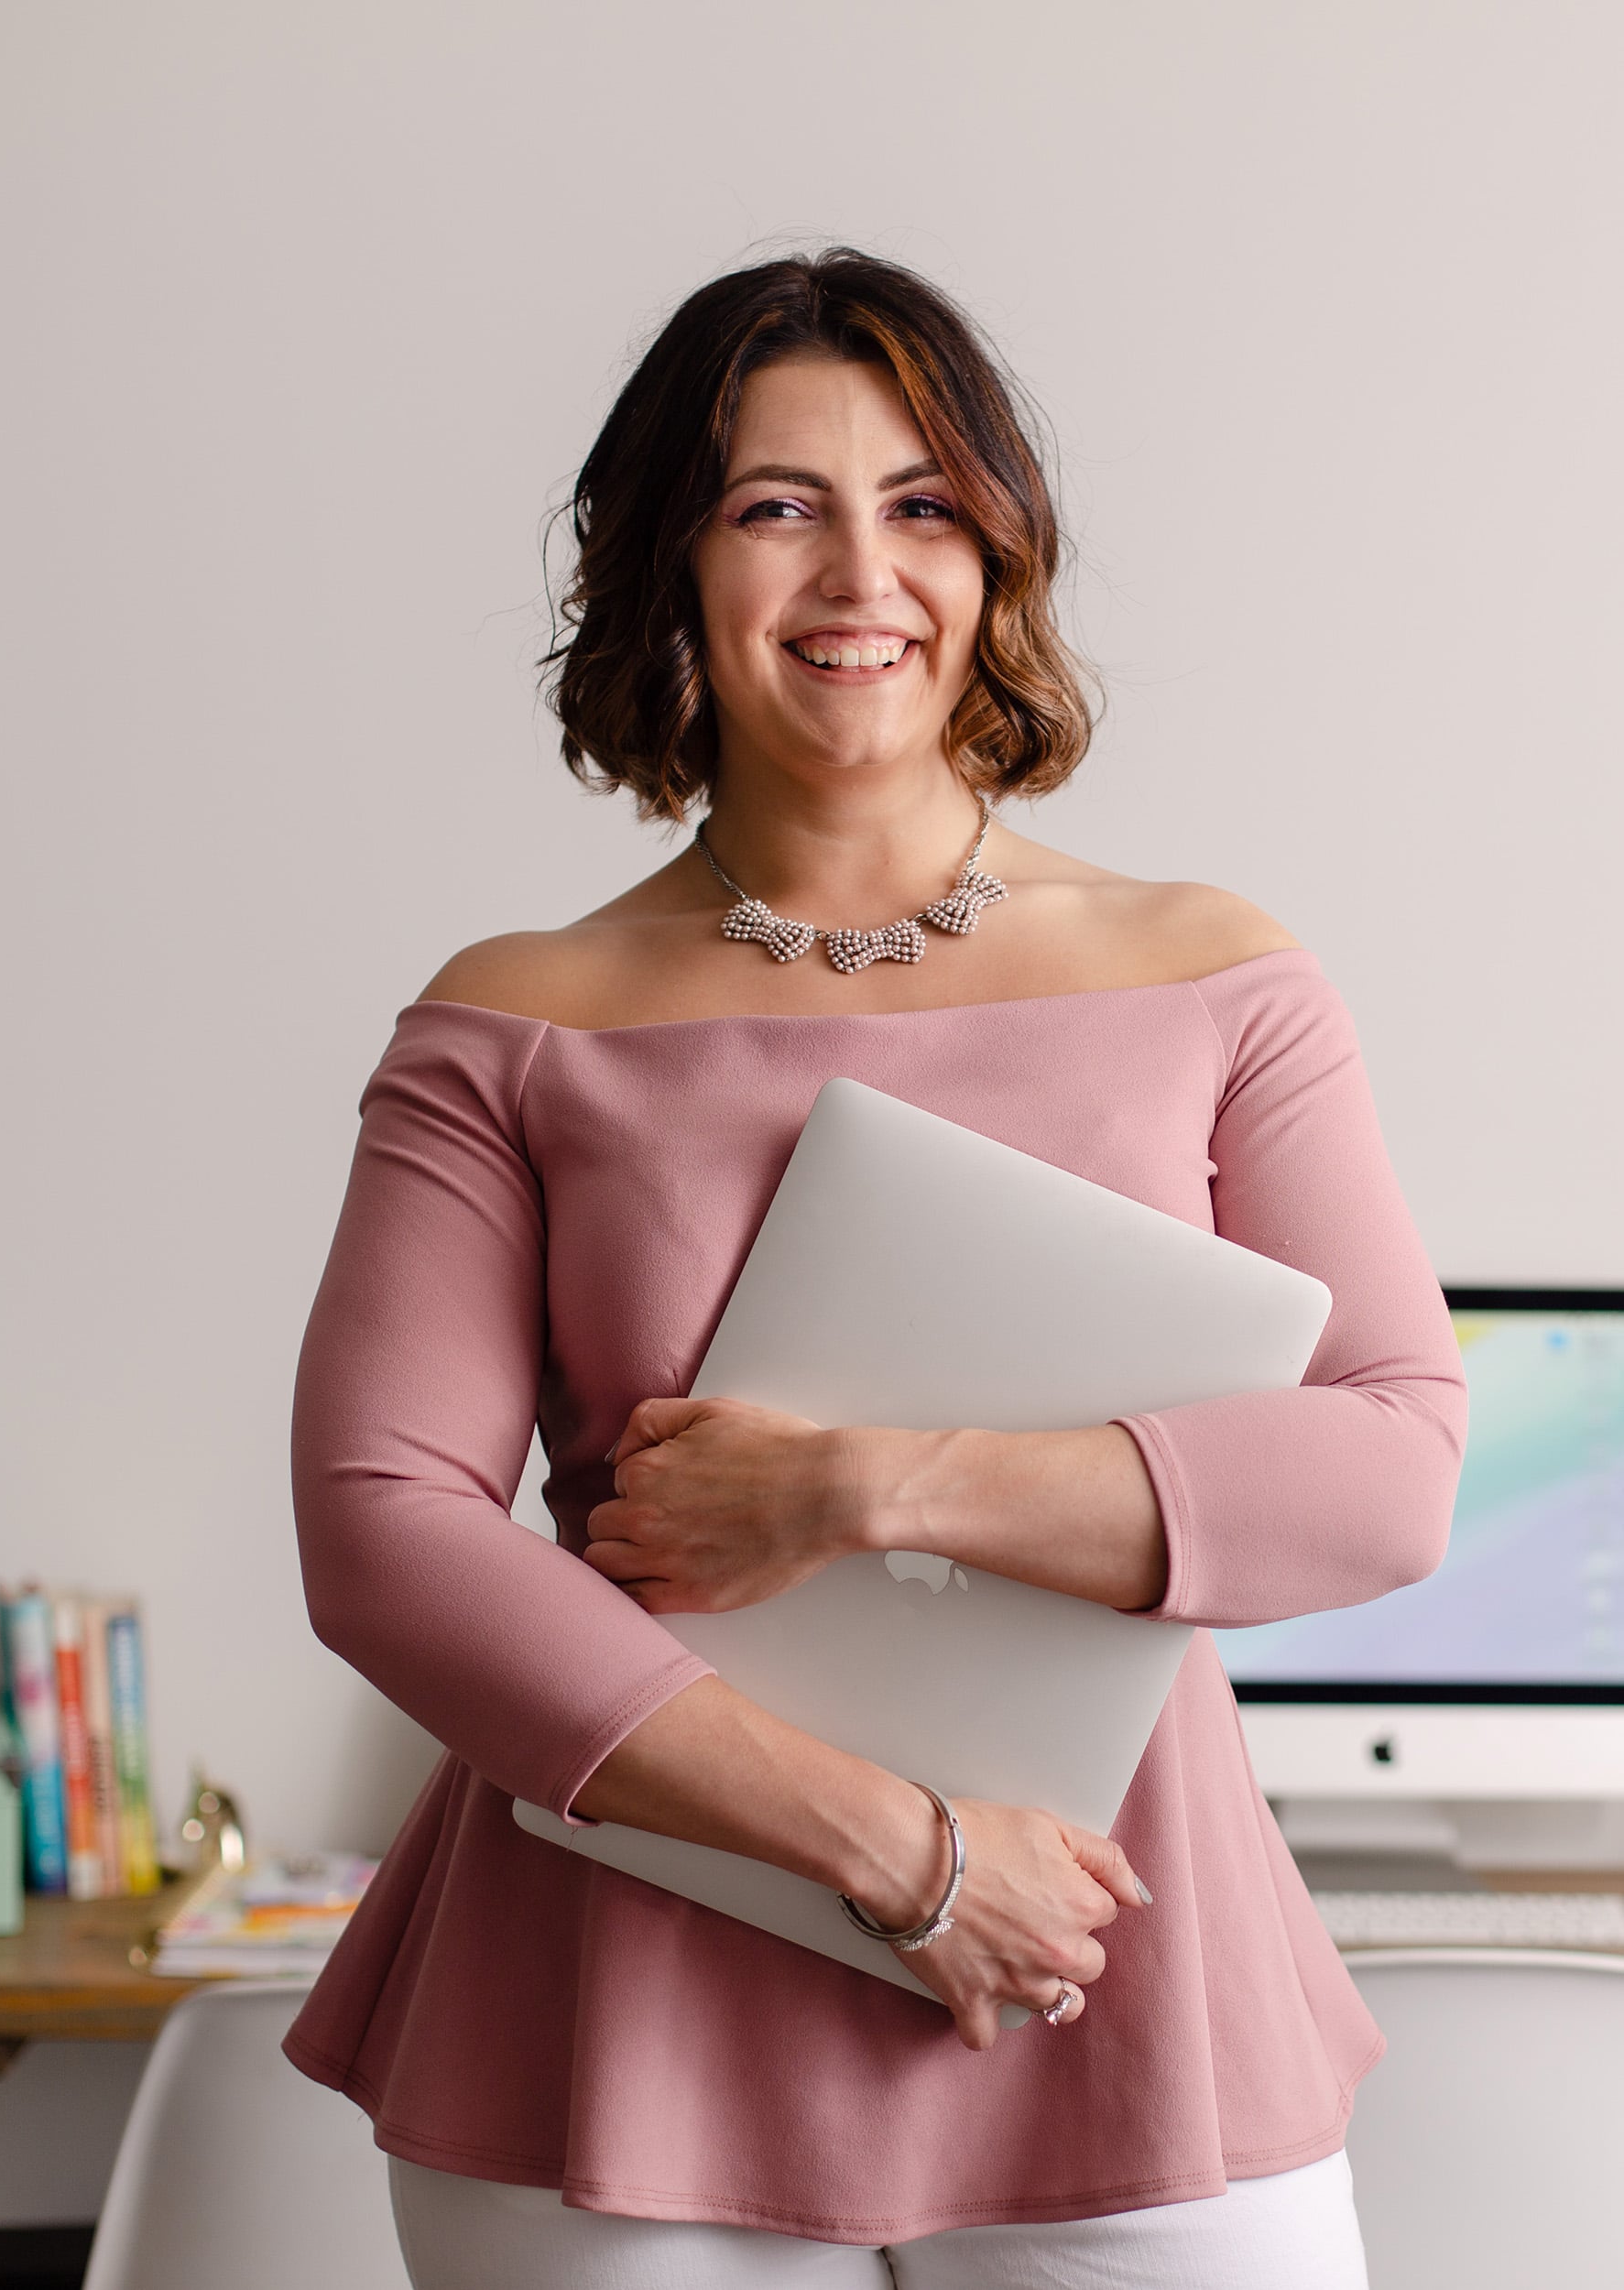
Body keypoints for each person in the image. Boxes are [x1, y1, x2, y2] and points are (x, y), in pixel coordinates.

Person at [284, 250, 1466, 2288]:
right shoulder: (514, 1020)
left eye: (922, 503)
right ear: (664, 560)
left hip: (1125, 1958)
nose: (860, 571)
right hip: (617, 1986)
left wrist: (865, 1483)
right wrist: (904, 1855)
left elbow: (1390, 1461)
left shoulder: (1214, 976)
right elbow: (382, 1527)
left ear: (1000, 562)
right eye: (774, 505)